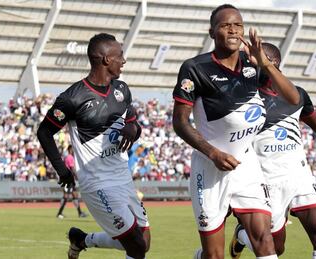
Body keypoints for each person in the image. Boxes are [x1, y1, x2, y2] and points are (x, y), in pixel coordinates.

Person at [172, 4, 299, 259]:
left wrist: (267, 65)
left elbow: (293, 98)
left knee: (265, 242)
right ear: (212, 32)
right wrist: (213, 153)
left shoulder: (253, 64)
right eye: (225, 25)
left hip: (246, 164)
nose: (233, 30)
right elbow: (180, 123)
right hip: (210, 168)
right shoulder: (195, 68)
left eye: (238, 25)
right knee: (214, 256)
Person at [229, 43, 316, 259]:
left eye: (256, 58)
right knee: (276, 247)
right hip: (267, 179)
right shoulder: (247, 95)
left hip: (299, 175)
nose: (251, 63)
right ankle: (242, 236)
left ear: (273, 63)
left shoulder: (297, 94)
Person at [37, 33, 150, 259]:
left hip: (122, 177)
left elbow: (132, 124)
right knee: (136, 246)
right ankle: (83, 239)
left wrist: (133, 129)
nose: (124, 61)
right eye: (120, 56)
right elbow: (44, 132)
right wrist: (62, 169)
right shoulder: (72, 98)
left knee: (143, 242)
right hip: (97, 183)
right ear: (106, 59)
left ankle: (82, 240)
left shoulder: (122, 89)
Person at [56, 145, 88, 219]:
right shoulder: (70, 157)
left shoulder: (69, 157)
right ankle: (59, 213)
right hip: (68, 179)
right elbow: (72, 168)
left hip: (70, 179)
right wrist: (77, 176)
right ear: (70, 149)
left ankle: (80, 213)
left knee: (74, 195)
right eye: (73, 149)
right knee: (66, 196)